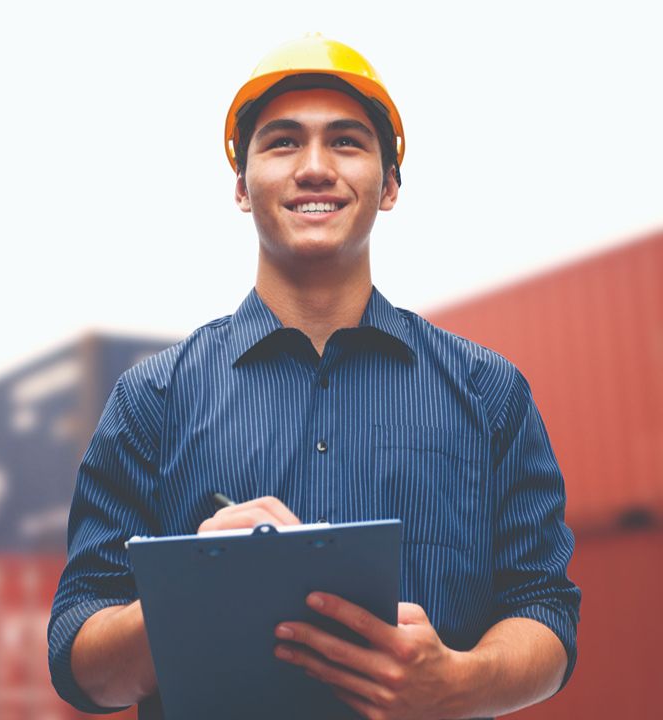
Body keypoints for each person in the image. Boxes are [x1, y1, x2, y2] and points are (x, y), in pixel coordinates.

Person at [47, 34, 580, 720]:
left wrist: (459, 681)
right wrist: (190, 592)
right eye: (283, 143)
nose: (316, 168)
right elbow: (77, 658)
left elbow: (545, 608)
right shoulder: (152, 401)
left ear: (389, 185)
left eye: (348, 142)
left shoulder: (491, 394)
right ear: (242, 187)